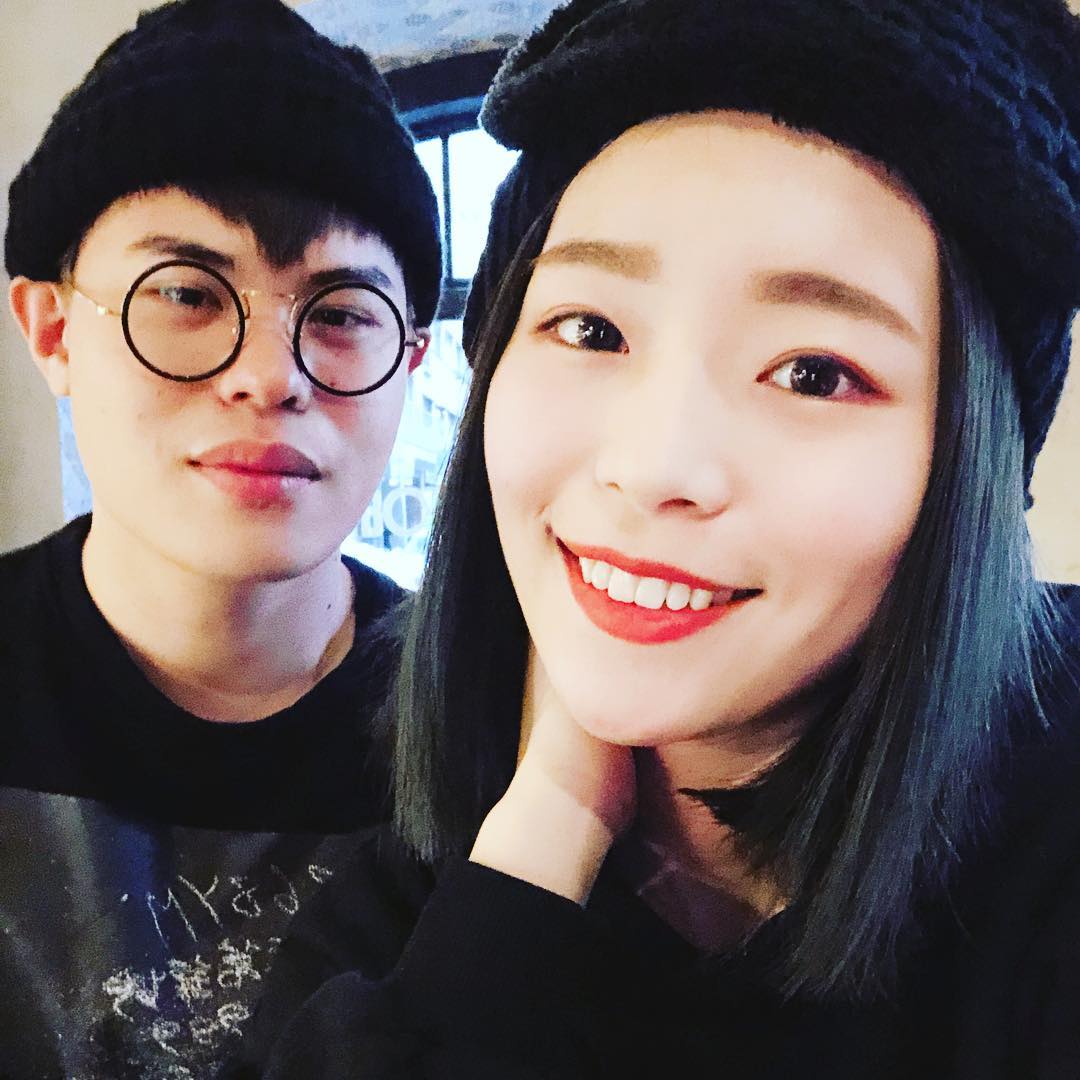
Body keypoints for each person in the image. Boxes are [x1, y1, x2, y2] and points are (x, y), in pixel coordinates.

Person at [230, 0, 1080, 1076]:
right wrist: (548, 827)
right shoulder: (395, 876)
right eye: (591, 329)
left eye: (814, 373)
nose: (655, 465)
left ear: (972, 459)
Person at [0, 0, 441, 1074]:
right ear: (52, 332)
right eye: (188, 294)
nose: (271, 377)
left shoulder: (498, 723)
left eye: (340, 313)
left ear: (412, 363)